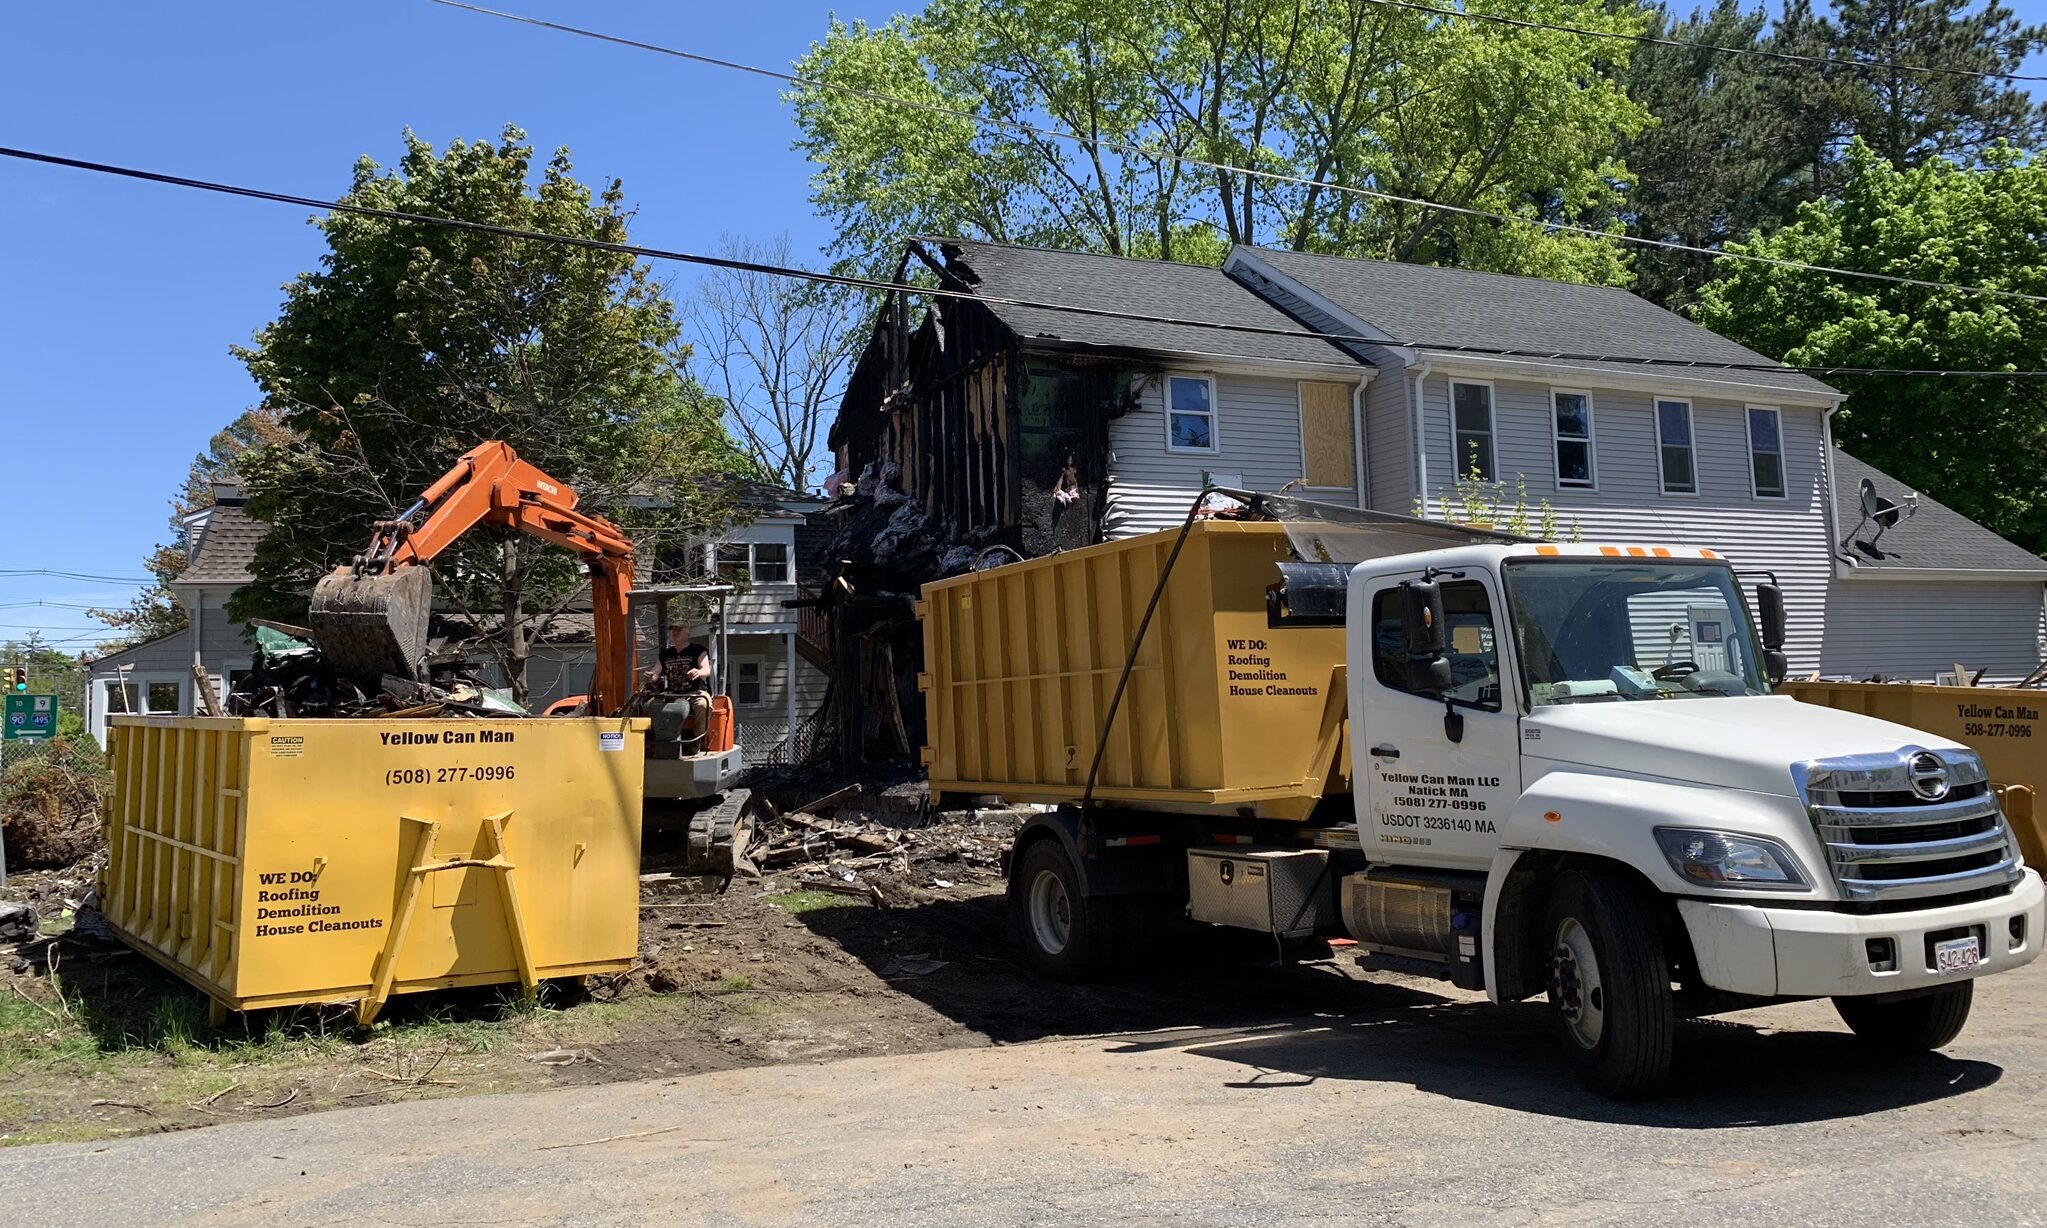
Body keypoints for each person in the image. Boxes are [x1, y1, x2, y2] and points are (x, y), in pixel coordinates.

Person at [649, 625, 714, 745]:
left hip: (695, 692)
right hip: (672, 693)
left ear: (687, 633)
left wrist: (698, 672)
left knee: (704, 705)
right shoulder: (665, 654)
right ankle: (660, 738)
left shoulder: (699, 650)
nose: (675, 633)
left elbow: (706, 669)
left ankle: (696, 740)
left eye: (678, 630)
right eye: (673, 630)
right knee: (649, 705)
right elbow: (655, 673)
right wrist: (651, 676)